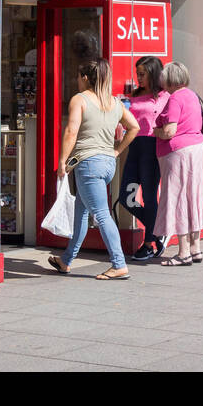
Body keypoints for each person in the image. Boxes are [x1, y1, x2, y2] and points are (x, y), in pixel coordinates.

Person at [48, 59, 139, 280]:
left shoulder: (79, 100)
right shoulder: (114, 102)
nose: (76, 80)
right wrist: (117, 151)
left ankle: (119, 264)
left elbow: (71, 131)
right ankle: (66, 260)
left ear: (86, 78)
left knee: (101, 214)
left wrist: (62, 162)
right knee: (81, 211)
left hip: (88, 163)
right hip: (107, 163)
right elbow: (134, 127)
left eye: (79, 76)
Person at [154, 61, 203, 266]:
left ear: (169, 79)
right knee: (193, 197)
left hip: (179, 153)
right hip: (198, 148)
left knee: (178, 199)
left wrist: (154, 131)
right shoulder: (192, 95)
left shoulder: (175, 98)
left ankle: (183, 252)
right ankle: (196, 248)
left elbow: (169, 131)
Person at [118, 56, 170, 262]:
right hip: (134, 146)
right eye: (137, 73)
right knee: (126, 197)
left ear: (154, 73)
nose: (138, 77)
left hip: (152, 147)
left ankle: (148, 243)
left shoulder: (165, 96)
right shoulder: (134, 95)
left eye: (142, 74)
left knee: (149, 197)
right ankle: (158, 230)